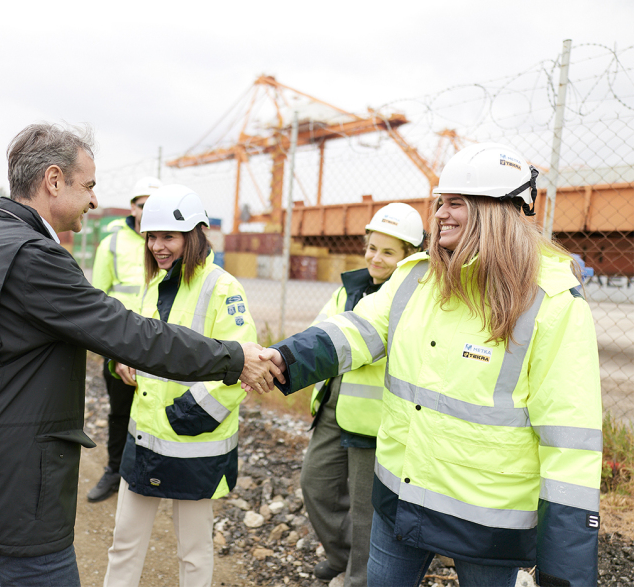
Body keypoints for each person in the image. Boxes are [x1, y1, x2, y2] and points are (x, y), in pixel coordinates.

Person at [0, 123, 278, 586]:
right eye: (88, 185)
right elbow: (128, 332)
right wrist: (235, 358)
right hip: (14, 488)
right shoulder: (31, 257)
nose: (95, 200)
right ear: (54, 181)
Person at [257, 143, 601, 587]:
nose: (440, 214)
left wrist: (565, 567)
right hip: (401, 496)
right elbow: (357, 330)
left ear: (496, 210)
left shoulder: (553, 304)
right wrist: (284, 358)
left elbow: (570, 441)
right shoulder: (416, 277)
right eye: (440, 203)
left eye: (456, 203)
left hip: (488, 523)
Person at [102, 185, 255, 586]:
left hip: (194, 441)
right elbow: (138, 342)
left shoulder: (223, 288)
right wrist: (123, 360)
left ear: (196, 234)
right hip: (145, 437)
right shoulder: (155, 284)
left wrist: (186, 414)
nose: (157, 246)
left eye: (168, 236)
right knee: (124, 542)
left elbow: (243, 369)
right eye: (151, 236)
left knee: (194, 550)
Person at [302, 203, 424, 585]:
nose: (375, 258)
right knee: (315, 486)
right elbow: (320, 332)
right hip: (333, 407)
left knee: (364, 511)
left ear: (409, 257)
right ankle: (342, 554)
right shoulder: (349, 288)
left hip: (373, 420)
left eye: (388, 252)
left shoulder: (413, 298)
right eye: (372, 248)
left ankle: (359, 579)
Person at [87, 175, 162, 502]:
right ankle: (114, 471)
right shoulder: (112, 244)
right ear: (132, 207)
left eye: (154, 204)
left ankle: (152, 476)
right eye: (143, 204)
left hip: (160, 344)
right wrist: (114, 351)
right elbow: (98, 300)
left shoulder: (169, 243)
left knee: (159, 412)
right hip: (120, 346)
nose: (148, 210)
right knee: (120, 413)